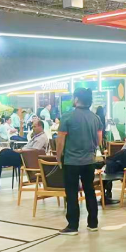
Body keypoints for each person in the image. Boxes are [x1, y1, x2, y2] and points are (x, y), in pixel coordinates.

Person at [55, 88, 103, 236]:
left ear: (76, 99)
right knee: (89, 190)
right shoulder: (96, 118)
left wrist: (58, 157)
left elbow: (60, 141)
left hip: (72, 161)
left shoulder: (67, 117)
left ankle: (73, 226)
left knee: (71, 193)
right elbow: (99, 140)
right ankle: (93, 223)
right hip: (89, 161)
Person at [0, 119, 49, 193]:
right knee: (0, 158)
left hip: (25, 158)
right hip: (23, 155)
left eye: (34, 126)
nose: (33, 128)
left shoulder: (42, 138)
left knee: (4, 153)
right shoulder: (37, 136)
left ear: (40, 127)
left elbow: (35, 152)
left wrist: (21, 151)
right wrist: (20, 149)